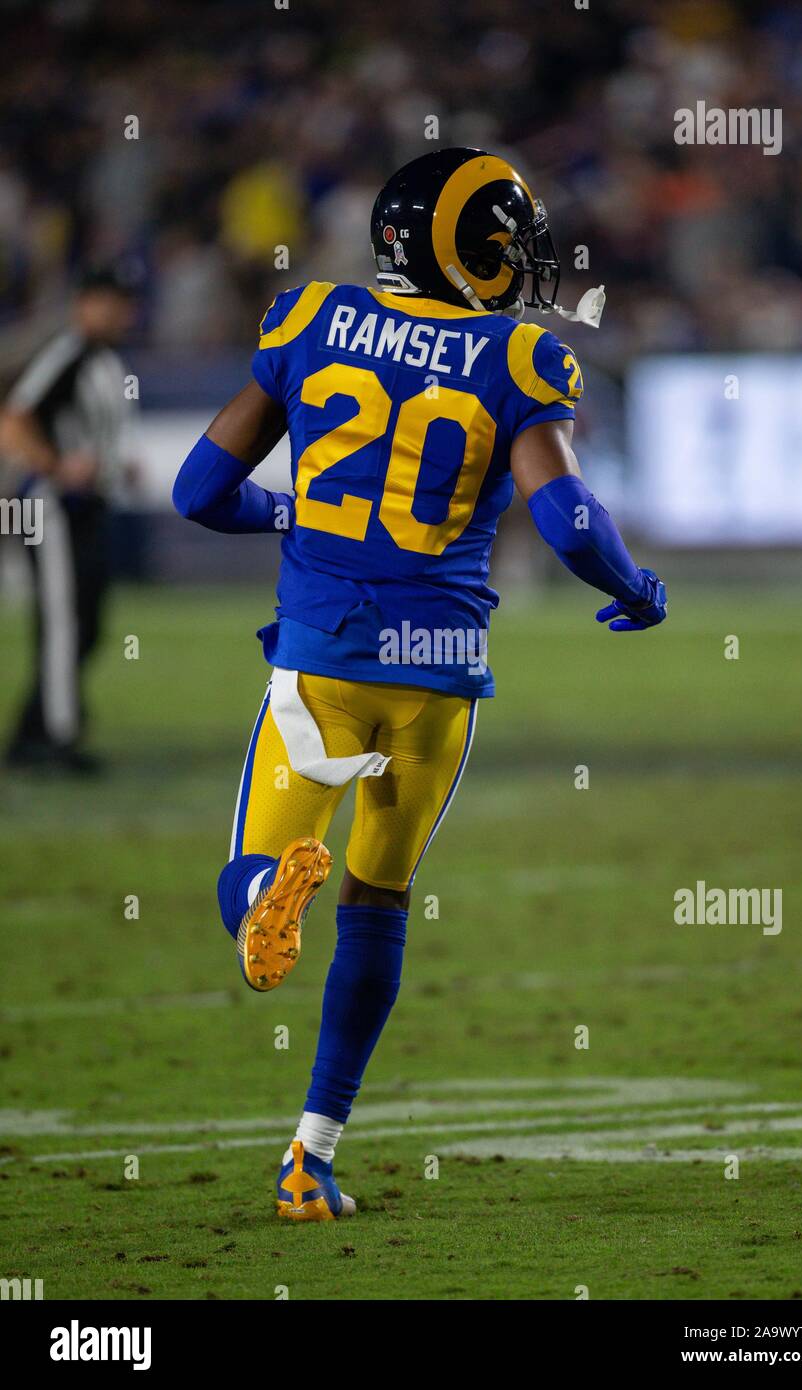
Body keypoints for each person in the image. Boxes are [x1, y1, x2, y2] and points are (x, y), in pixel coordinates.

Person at [173, 148, 667, 1221]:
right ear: (473, 249)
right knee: (378, 903)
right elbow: (568, 519)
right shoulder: (519, 354)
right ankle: (310, 1155)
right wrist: (635, 587)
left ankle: (265, 895)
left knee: (251, 868)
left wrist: (289, 512)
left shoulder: (309, 320)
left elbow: (199, 489)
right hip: (440, 673)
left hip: (320, 658)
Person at [1, 267, 138, 772]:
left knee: (87, 621)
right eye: (109, 300)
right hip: (52, 507)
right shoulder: (68, 354)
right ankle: (58, 737)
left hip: (86, 508)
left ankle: (34, 727)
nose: (120, 312)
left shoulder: (104, 361)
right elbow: (14, 418)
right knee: (63, 622)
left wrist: (112, 465)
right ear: (84, 303)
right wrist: (55, 465)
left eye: (124, 301)